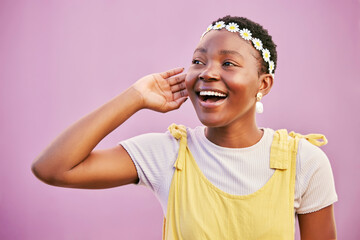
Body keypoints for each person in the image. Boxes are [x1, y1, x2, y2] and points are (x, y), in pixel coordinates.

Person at [32, 15, 337, 239]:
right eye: (198, 61)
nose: (208, 73)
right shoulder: (168, 155)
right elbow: (53, 168)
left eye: (228, 63)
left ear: (263, 84)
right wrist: (134, 97)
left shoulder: (303, 162)